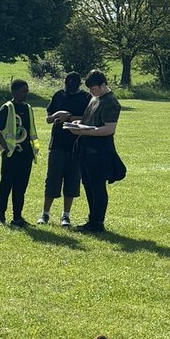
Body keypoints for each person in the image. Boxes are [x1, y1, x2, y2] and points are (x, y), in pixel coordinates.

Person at [64, 70, 122, 233]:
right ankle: (92, 219)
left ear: (103, 85)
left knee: (97, 186)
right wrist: (75, 123)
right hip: (86, 149)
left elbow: (109, 129)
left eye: (94, 89)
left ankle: (98, 222)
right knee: (88, 185)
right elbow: (88, 120)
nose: (92, 92)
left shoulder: (110, 101)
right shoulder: (95, 98)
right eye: (90, 89)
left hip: (99, 151)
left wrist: (82, 131)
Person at [37, 72, 90, 227]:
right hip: (57, 144)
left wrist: (71, 117)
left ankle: (65, 216)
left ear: (79, 85)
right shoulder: (58, 95)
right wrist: (56, 115)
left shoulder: (86, 98)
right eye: (68, 85)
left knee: (72, 180)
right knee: (52, 179)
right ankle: (45, 214)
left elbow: (88, 118)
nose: (69, 88)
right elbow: (48, 119)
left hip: (76, 144)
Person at [0, 79, 39, 227]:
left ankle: (17, 217)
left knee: (21, 187)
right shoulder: (7, 108)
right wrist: (6, 148)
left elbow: (31, 130)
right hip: (11, 154)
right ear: (14, 92)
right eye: (23, 91)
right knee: (6, 185)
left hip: (26, 154)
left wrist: (33, 149)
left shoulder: (28, 108)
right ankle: (1, 216)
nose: (26, 94)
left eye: (27, 91)